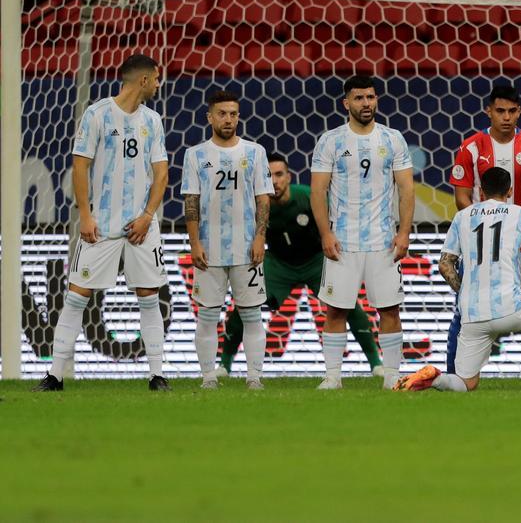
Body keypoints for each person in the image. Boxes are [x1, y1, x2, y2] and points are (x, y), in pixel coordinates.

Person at [35, 55, 171, 392]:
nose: (158, 84)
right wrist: (85, 215)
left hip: (142, 227)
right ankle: (55, 375)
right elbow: (79, 166)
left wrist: (147, 216)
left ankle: (157, 376)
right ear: (143, 80)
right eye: (156, 79)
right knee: (77, 295)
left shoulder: (152, 121)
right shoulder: (96, 114)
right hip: (102, 225)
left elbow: (161, 173)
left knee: (149, 296)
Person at [396, 168, 521, 393]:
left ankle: (436, 378)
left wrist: (463, 292)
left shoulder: (462, 216)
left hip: (472, 314)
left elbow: (444, 264)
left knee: (465, 383)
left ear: (480, 191)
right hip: (510, 306)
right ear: (509, 191)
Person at [218, 153, 385, 377]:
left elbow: (335, 225)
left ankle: (376, 364)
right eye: (268, 175)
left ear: (288, 177)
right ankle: (224, 366)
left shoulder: (307, 197)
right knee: (245, 305)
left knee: (346, 305)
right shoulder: (257, 205)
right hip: (278, 263)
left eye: (279, 175)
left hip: (316, 261)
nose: (274, 181)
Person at [447, 84, 521, 389]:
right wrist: (476, 233)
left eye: (512, 111)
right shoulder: (471, 147)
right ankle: (453, 374)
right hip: (480, 249)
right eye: (500, 111)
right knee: (463, 309)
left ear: (519, 111)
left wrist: (520, 228)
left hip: (520, 248)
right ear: (488, 112)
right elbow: (461, 197)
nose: (506, 117)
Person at [310, 76, 414, 390]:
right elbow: (318, 190)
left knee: (389, 308)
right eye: (358, 98)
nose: (366, 103)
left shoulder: (393, 138)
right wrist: (325, 233)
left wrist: (404, 233)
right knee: (336, 308)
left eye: (370, 97)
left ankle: (392, 377)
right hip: (343, 241)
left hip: (383, 240)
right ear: (346, 103)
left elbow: (406, 189)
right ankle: (332, 377)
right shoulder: (331, 140)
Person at [181, 90, 272, 389]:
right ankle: (208, 377)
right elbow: (191, 201)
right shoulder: (195, 155)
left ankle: (254, 377)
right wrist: (195, 243)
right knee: (207, 315)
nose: (228, 119)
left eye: (233, 113)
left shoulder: (255, 152)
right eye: (222, 113)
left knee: (251, 315)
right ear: (210, 117)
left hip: (247, 247)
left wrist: (260, 238)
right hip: (210, 249)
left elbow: (263, 199)